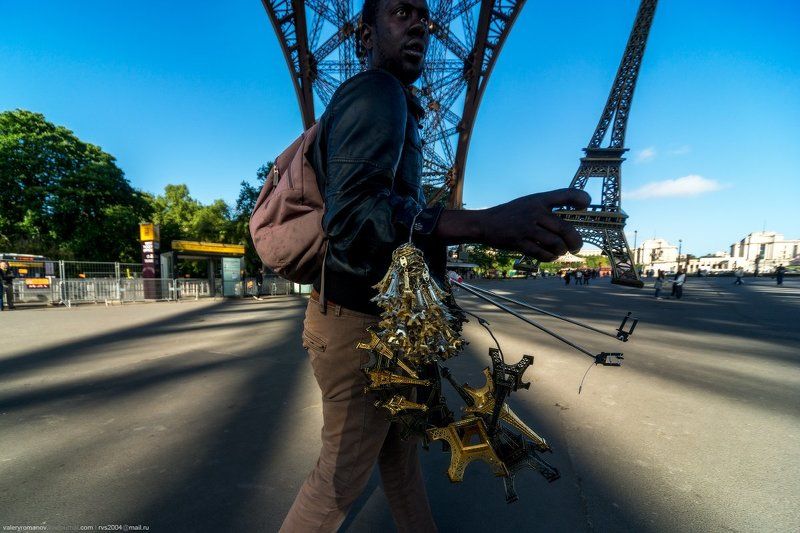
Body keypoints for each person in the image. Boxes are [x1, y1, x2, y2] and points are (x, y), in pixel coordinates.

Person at [278, 0, 590, 529]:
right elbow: (354, 219)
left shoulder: (389, 101)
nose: (421, 23)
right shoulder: (376, 93)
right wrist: (482, 223)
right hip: (363, 331)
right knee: (336, 485)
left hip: (380, 326)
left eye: (426, 15)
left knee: (399, 461)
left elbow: (381, 220)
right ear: (363, 34)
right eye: (401, 13)